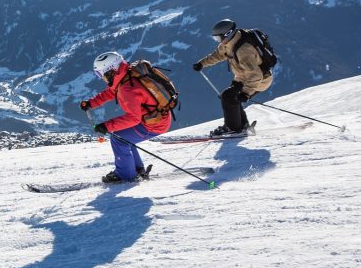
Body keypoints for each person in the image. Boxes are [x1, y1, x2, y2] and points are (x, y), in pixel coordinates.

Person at [80, 51, 171, 183]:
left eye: (101, 75)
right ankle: (137, 169)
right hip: (156, 117)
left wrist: (106, 126)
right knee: (124, 136)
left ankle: (126, 175)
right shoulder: (126, 75)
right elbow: (111, 92)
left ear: (110, 71)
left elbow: (133, 119)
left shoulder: (127, 88)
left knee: (119, 139)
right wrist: (91, 103)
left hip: (154, 124)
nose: (102, 78)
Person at [192, 19, 274, 136]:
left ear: (227, 34)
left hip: (260, 80)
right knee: (230, 97)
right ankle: (242, 125)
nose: (218, 41)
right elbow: (218, 55)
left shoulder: (243, 50)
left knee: (229, 97)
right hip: (243, 76)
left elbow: (256, 75)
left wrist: (246, 93)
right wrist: (202, 63)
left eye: (218, 38)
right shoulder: (228, 43)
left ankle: (233, 128)